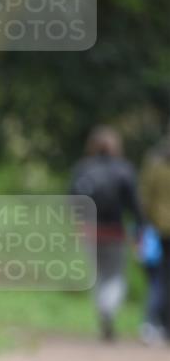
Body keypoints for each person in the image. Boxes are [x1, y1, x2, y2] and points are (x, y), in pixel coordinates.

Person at [69, 125, 142, 341]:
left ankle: (103, 307)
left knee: (99, 274)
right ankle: (109, 307)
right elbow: (134, 205)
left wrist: (77, 223)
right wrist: (140, 230)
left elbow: (72, 199)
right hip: (115, 231)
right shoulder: (124, 169)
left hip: (90, 230)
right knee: (116, 275)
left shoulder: (83, 168)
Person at [139, 134, 170, 342]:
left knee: (158, 278)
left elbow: (145, 198)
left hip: (160, 227)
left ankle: (152, 323)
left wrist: (144, 224)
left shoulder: (155, 166)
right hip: (160, 228)